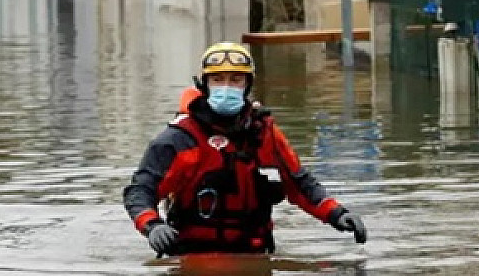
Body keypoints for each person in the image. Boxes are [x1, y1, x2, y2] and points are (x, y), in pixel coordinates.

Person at [123, 42, 367, 256]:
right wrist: (152, 225)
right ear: (204, 85)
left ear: (248, 85)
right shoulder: (179, 138)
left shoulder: (264, 133)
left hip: (254, 253)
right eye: (218, 80)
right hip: (194, 256)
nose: (226, 87)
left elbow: (300, 184)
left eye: (235, 80)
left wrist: (336, 214)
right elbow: (141, 190)